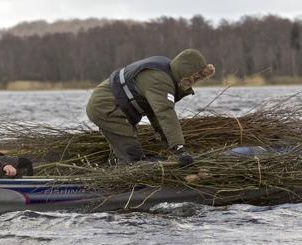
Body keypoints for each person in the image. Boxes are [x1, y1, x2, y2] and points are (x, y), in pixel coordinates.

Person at [86, 48, 215, 167]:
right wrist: (180, 149)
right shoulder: (160, 80)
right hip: (105, 107)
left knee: (126, 152)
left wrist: (171, 146)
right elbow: (165, 113)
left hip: (114, 105)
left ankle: (111, 167)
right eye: (196, 78)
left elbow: (156, 115)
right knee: (132, 157)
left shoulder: (167, 73)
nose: (195, 82)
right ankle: (122, 185)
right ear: (187, 73)